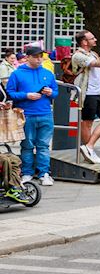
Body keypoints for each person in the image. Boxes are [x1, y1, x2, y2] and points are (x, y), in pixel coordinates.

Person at [8, 45, 57, 187]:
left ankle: (44, 173)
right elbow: (10, 92)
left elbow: (55, 92)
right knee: (27, 145)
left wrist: (50, 93)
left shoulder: (48, 73)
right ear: (27, 57)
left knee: (43, 145)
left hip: (45, 113)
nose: (39, 59)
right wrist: (26, 95)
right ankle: (27, 173)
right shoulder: (17, 74)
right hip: (26, 114)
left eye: (41, 57)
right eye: (35, 57)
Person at [71, 29, 100, 165]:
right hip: (87, 93)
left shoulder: (93, 54)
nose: (95, 40)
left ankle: (89, 147)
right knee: (87, 123)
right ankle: (89, 151)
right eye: (92, 38)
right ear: (84, 42)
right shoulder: (78, 56)